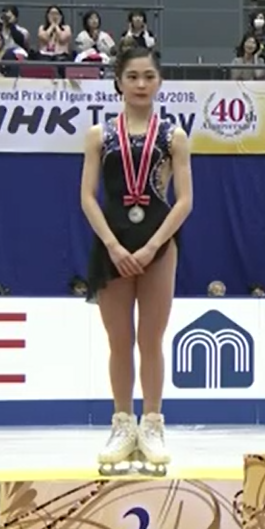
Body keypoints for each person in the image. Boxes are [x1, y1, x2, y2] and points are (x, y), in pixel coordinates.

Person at [80, 46, 194, 475]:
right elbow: (87, 197)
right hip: (113, 243)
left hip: (158, 244)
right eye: (132, 77)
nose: (141, 84)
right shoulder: (99, 135)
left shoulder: (174, 137)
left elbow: (184, 201)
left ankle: (153, 423)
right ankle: (122, 423)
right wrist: (112, 245)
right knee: (119, 340)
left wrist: (152, 247)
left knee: (151, 339)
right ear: (118, 82)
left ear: (159, 81)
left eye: (148, 76)